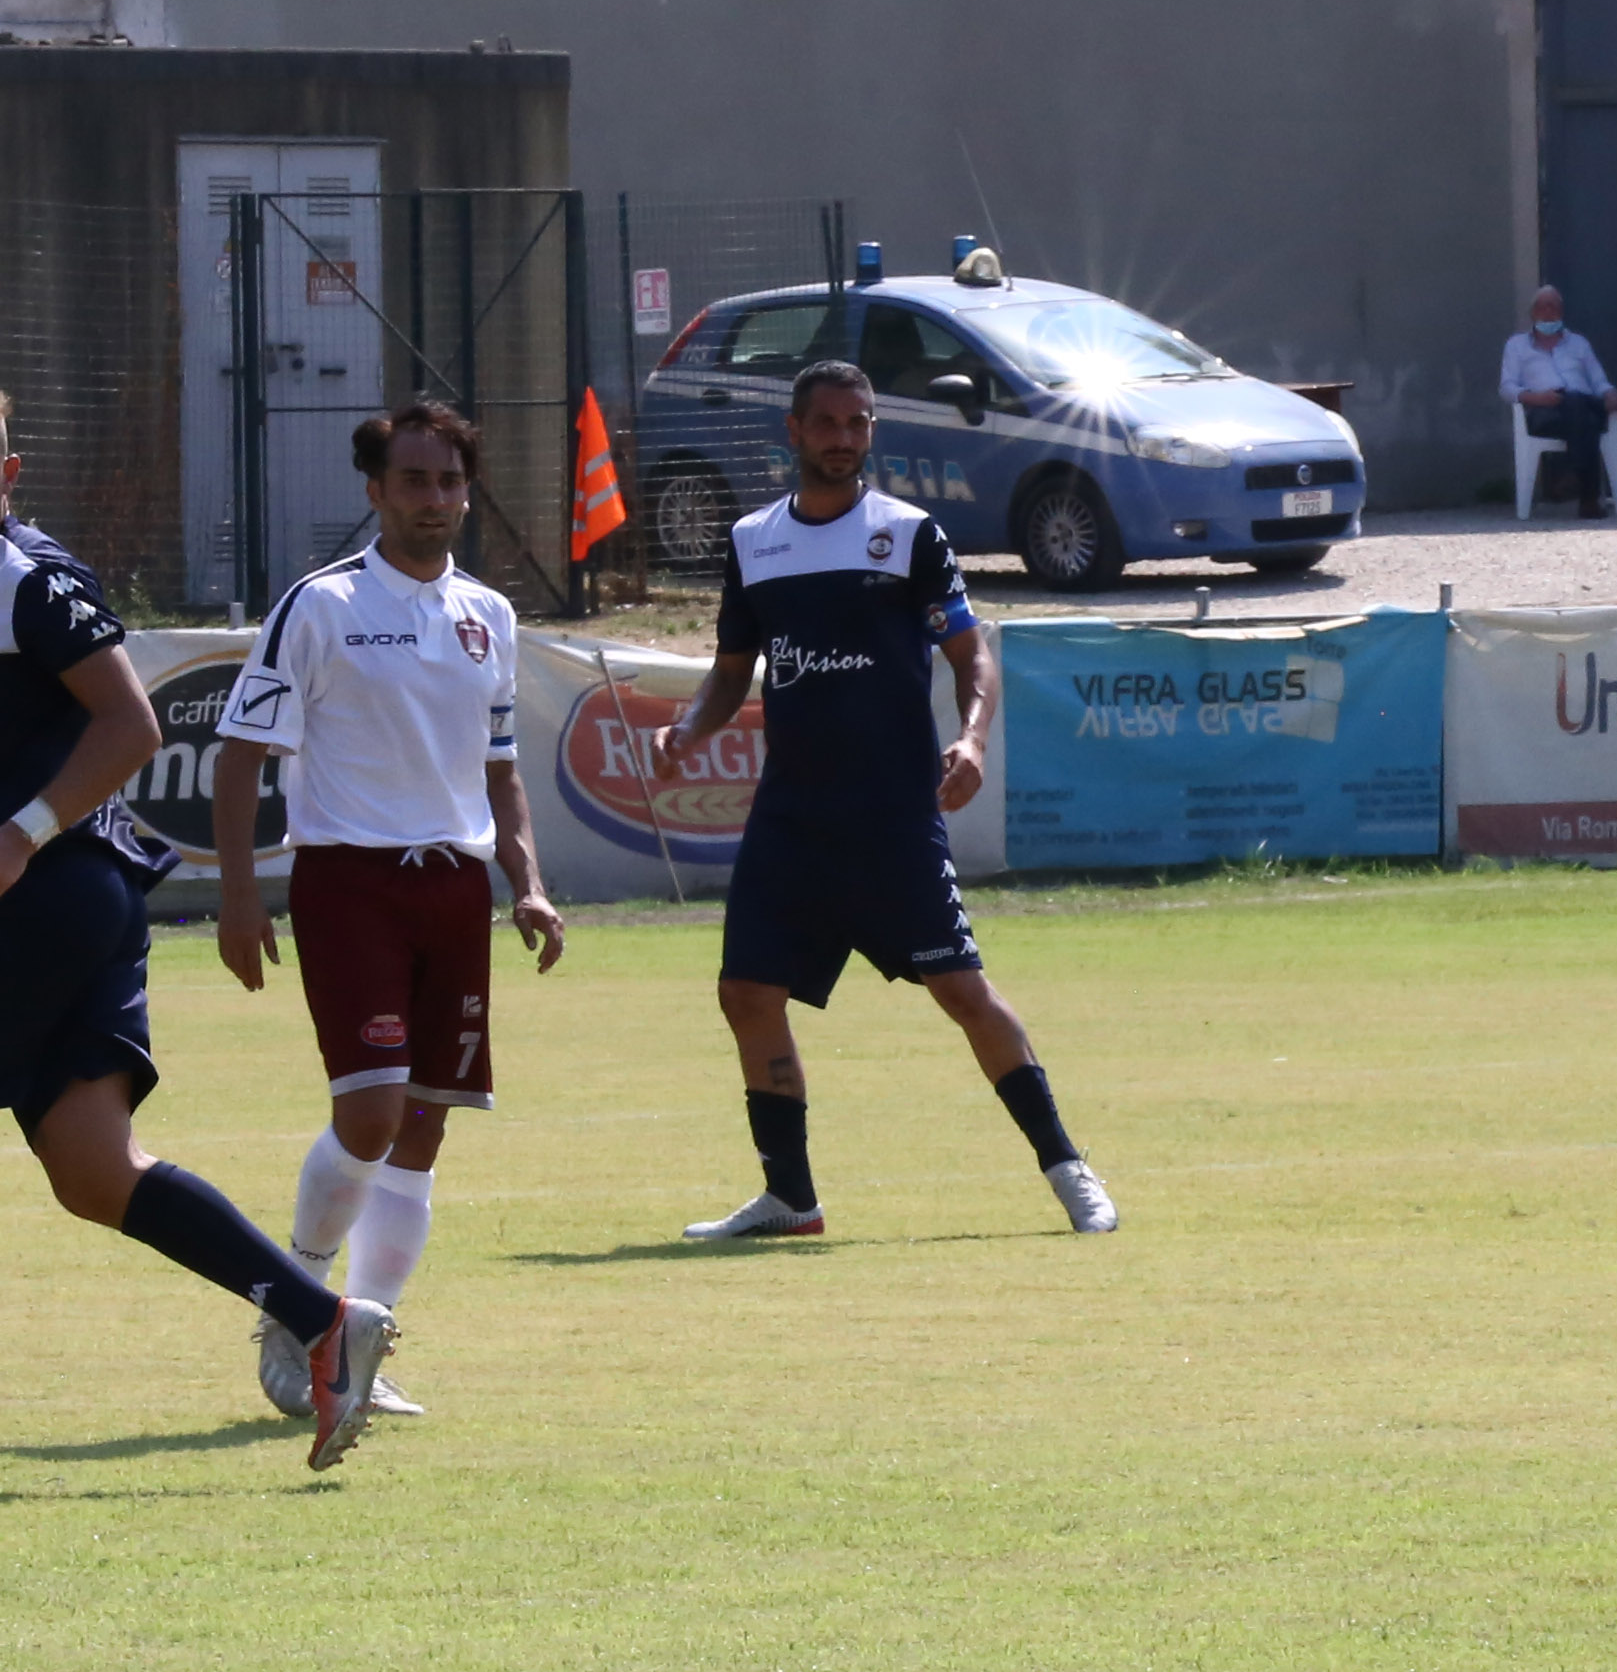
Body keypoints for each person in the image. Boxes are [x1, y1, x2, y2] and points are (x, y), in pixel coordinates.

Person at [0, 388, 397, 1465]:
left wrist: (23, 832)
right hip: (85, 899)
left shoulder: (22, 579)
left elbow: (132, 725)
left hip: (44, 893)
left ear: (8, 475)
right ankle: (326, 1325)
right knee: (92, 1169)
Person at [673, 358, 1119, 1241]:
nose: (844, 438)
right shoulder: (751, 541)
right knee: (746, 992)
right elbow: (730, 676)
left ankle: (1069, 1168)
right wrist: (688, 729)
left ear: (871, 432)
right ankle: (791, 1199)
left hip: (890, 817)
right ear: (794, 433)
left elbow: (970, 652)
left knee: (961, 990)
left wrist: (973, 736)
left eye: (859, 423)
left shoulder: (909, 534)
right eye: (828, 423)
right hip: (792, 820)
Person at [211, 400, 570, 1421]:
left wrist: (527, 881)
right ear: (375, 491)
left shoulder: (490, 617)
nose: (436, 499)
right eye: (414, 481)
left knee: (422, 1133)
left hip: (454, 889)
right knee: (368, 1115)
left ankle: (356, 1350)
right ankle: (297, 1311)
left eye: (451, 481)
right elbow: (241, 757)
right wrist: (241, 896)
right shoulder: (319, 606)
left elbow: (501, 772)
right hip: (350, 882)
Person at [1501, 289, 1617, 518]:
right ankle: (1587, 497)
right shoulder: (1516, 346)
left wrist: (1611, 393)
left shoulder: (1579, 343)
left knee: (1579, 404)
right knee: (1589, 416)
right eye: (1543, 307)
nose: (1548, 312)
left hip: (1581, 403)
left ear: (1562, 312)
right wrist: (1536, 397)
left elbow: (1598, 381)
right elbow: (1507, 388)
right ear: (1532, 313)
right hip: (1544, 410)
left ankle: (1577, 480)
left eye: (1554, 307)